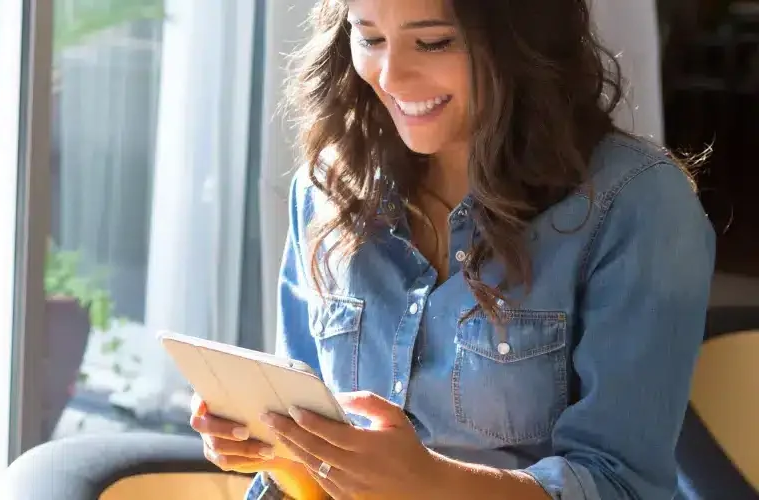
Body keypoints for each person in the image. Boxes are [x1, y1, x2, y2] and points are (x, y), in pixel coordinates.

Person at [190, 0, 715, 499]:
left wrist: (431, 484)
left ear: (522, 36)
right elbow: (312, 441)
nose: (391, 76)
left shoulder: (638, 205)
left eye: (434, 42)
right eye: (368, 36)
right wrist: (275, 448)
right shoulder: (329, 189)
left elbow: (622, 486)